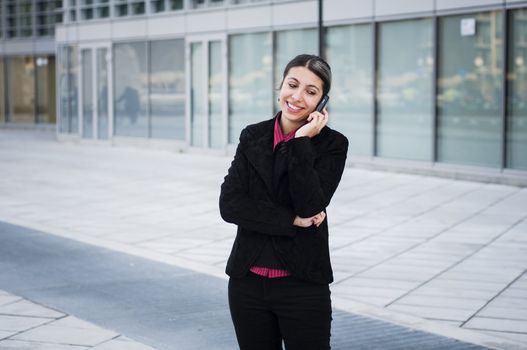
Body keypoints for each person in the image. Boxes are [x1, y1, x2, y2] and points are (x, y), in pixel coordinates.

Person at [219, 54, 349, 350]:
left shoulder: (332, 145)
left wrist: (302, 141)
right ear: (281, 86)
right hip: (247, 284)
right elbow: (230, 205)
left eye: (311, 91)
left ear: (322, 101)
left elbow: (309, 206)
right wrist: (289, 220)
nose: (298, 96)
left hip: (302, 285)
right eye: (292, 84)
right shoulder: (253, 136)